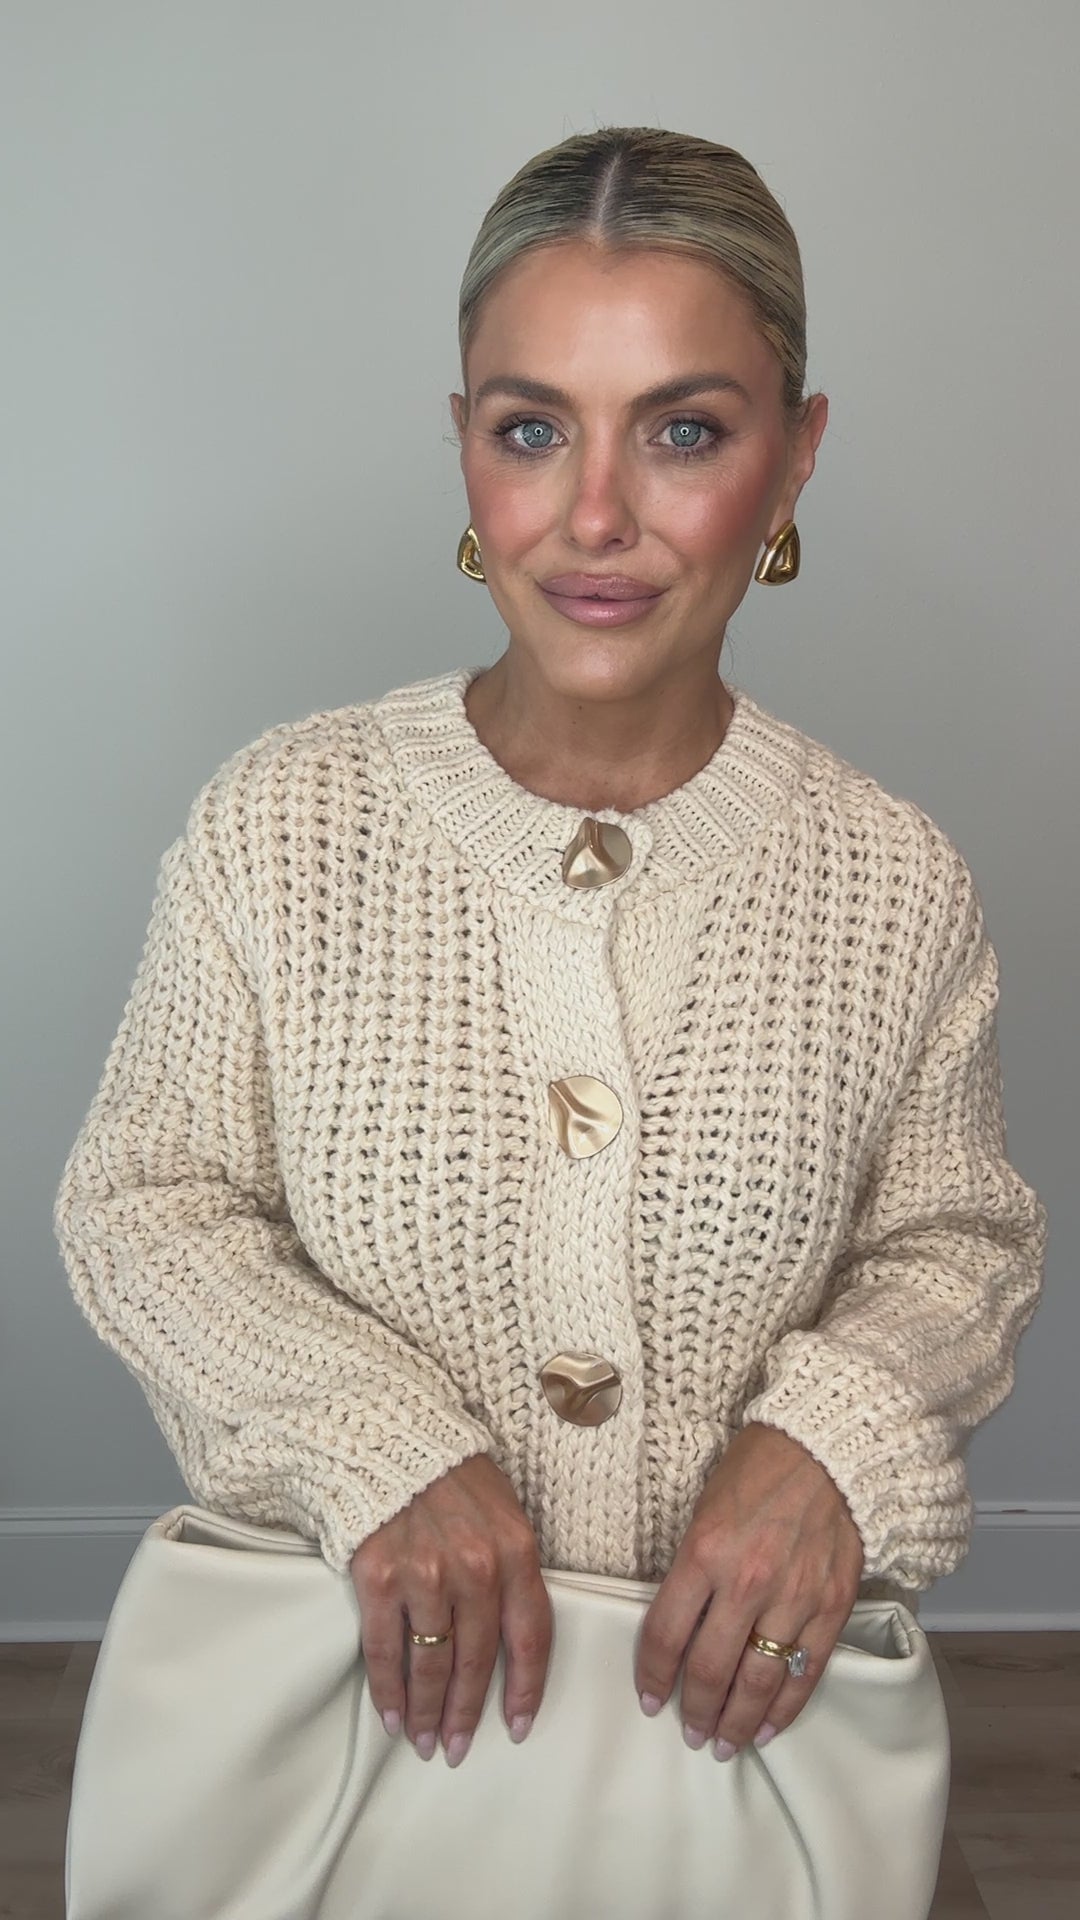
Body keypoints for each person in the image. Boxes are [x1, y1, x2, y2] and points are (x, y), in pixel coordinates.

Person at [53, 126, 1047, 1788]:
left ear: (796, 456)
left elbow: (958, 1241)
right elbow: (147, 1203)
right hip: (344, 1758)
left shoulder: (892, 886)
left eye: (684, 431)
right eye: (531, 430)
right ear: (463, 445)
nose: (593, 516)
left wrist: (835, 1437)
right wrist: (377, 1445)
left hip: (730, 1768)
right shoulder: (280, 828)